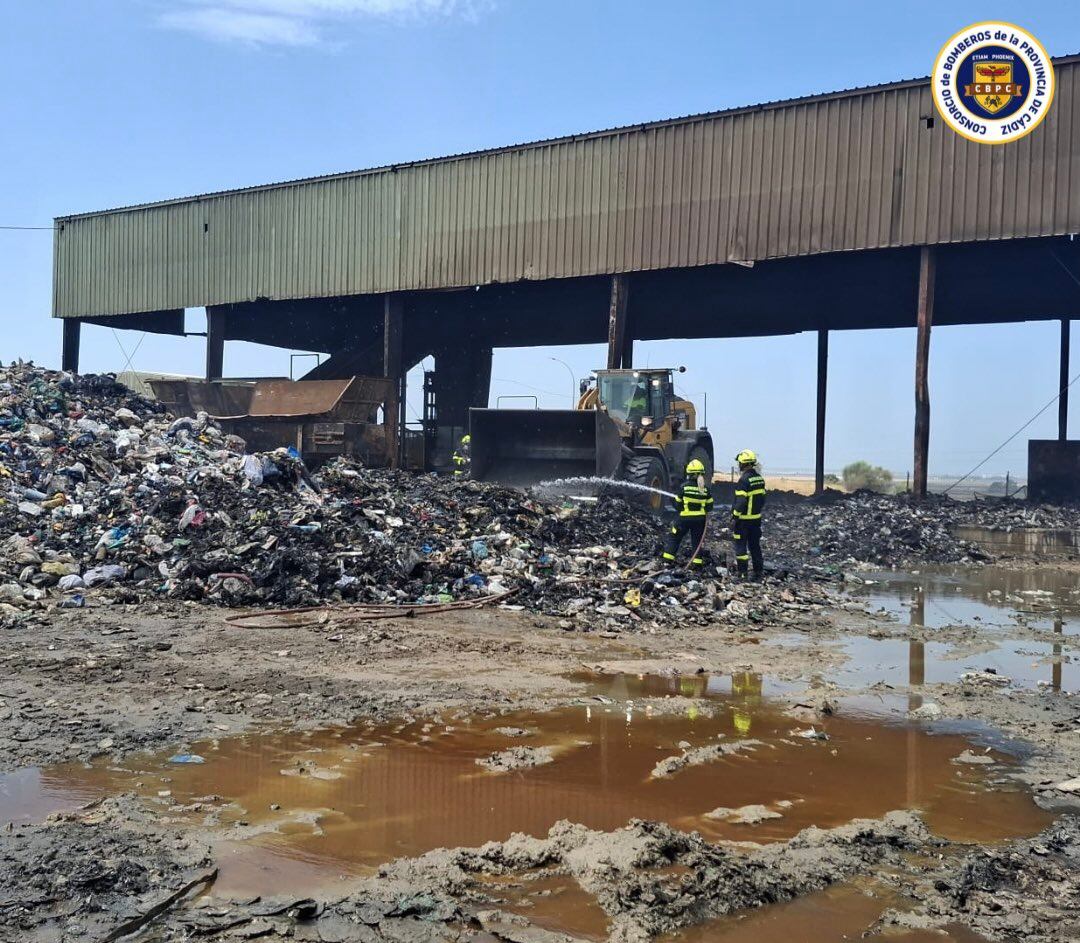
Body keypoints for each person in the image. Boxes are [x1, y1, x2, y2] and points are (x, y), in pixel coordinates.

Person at [661, 458, 714, 567]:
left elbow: (678, 505)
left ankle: (667, 561)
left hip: (684, 519)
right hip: (700, 521)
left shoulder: (683, 487)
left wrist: (674, 500)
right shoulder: (705, 490)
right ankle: (696, 564)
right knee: (697, 541)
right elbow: (709, 506)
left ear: (688, 473)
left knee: (674, 537)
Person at [732, 449, 766, 580]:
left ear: (743, 464)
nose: (738, 465)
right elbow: (763, 498)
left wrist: (735, 516)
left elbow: (740, 502)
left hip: (743, 521)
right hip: (756, 520)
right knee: (755, 546)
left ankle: (742, 574)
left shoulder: (743, 481)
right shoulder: (759, 479)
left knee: (741, 547)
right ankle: (758, 572)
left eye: (739, 463)